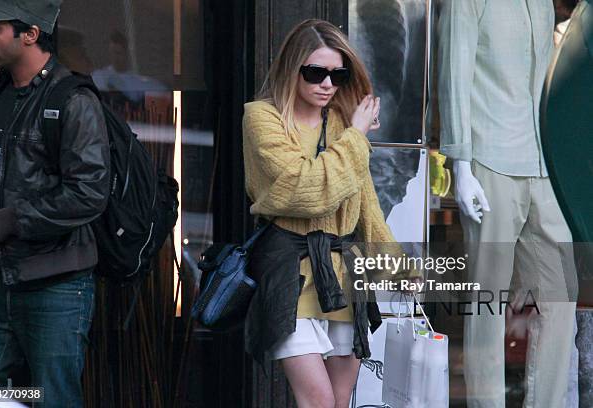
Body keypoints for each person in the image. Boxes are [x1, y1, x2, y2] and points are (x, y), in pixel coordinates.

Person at [242, 19, 416, 408]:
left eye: (338, 75)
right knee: (318, 401)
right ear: (292, 68)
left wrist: (398, 268)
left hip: (344, 274)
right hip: (289, 272)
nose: (327, 84)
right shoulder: (261, 118)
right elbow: (307, 191)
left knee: (339, 401)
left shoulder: (339, 122)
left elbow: (366, 205)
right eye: (315, 72)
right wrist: (356, 137)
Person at [438, 1, 577, 407]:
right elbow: (454, 74)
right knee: (488, 300)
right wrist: (461, 163)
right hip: (490, 157)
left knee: (560, 296)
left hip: (544, 163)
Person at [0, 1, 110, 407]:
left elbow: (88, 193)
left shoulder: (72, 100)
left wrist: (4, 222)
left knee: (51, 397)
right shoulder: (2, 90)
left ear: (30, 33)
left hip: (55, 284)